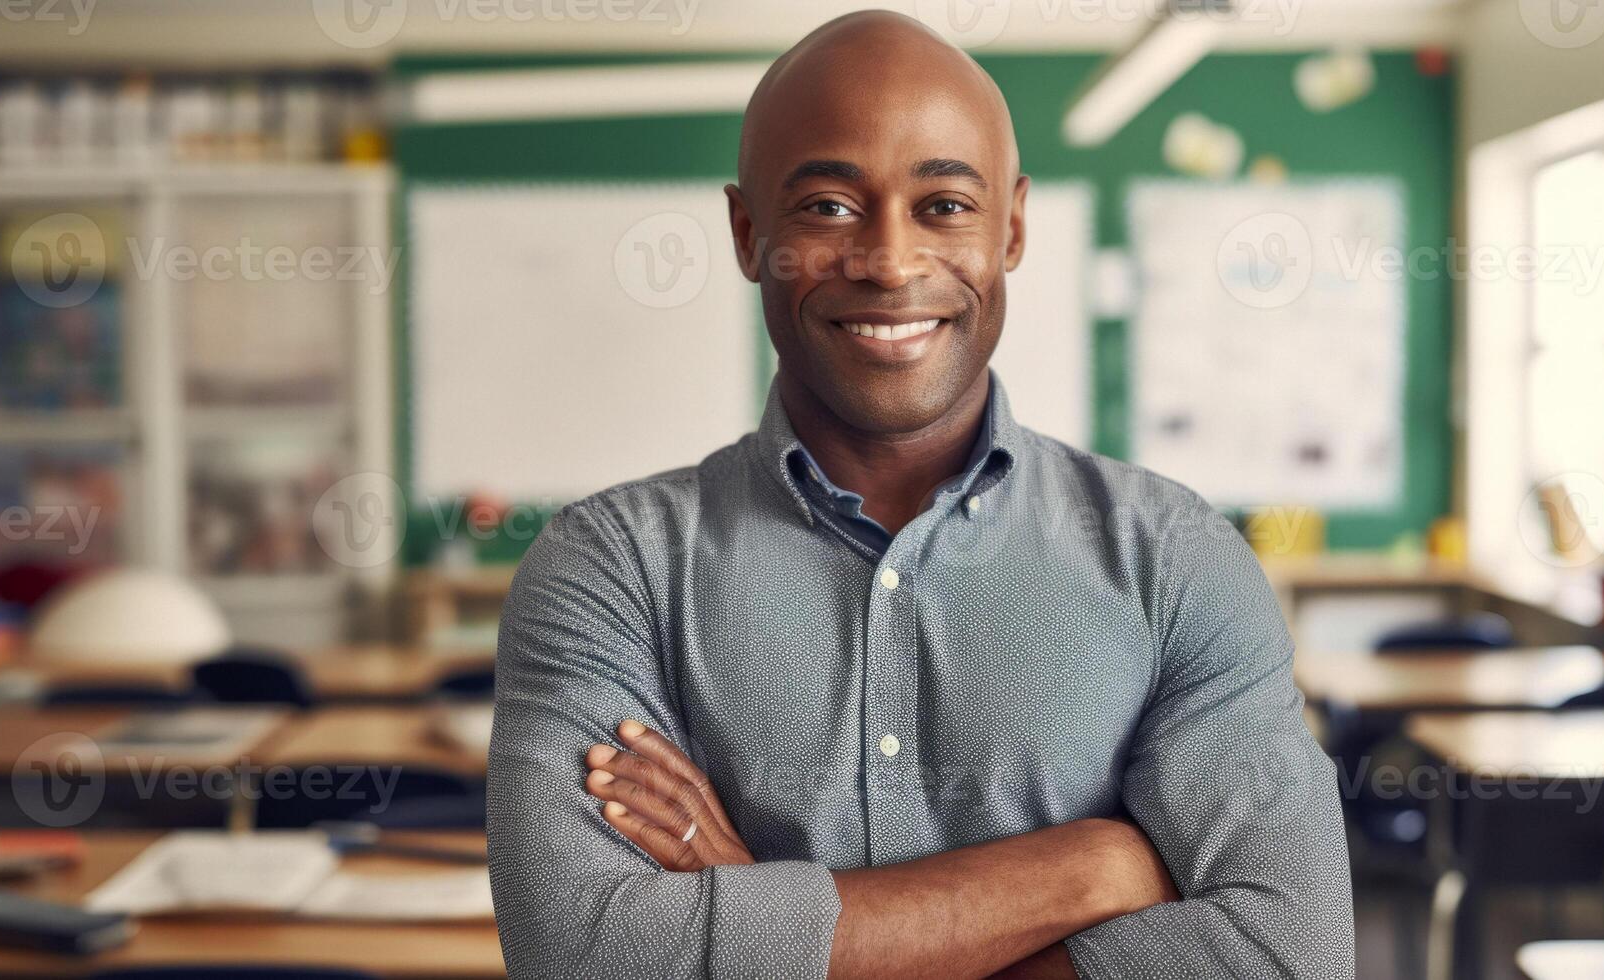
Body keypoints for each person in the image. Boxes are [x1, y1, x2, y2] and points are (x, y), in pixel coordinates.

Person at [487, 11, 1352, 978]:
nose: (891, 263)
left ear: (1011, 227)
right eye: (826, 207)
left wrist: (758, 923)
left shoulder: (1175, 558)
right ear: (747, 233)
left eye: (943, 205)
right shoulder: (609, 568)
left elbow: (1290, 954)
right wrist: (1087, 867)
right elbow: (586, 957)